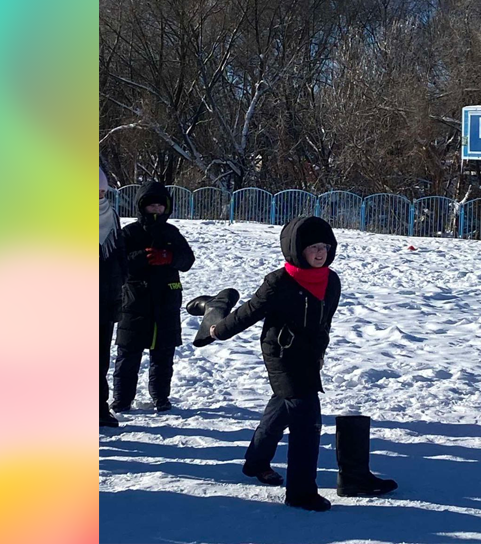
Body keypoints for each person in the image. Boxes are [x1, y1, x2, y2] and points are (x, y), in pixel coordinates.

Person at [209, 216, 340, 512]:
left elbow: (324, 322)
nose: (320, 252)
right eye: (313, 247)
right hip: (281, 354)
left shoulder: (330, 280)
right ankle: (301, 493)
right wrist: (218, 331)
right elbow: (250, 312)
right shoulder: (279, 281)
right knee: (307, 420)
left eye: (324, 247)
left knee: (281, 410)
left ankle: (256, 462)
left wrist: (319, 353)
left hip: (309, 356)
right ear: (296, 249)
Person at [111, 181, 195, 413]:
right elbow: (118, 263)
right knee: (128, 354)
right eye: (151, 205)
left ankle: (161, 396)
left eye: (160, 205)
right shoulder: (129, 232)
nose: (156, 209)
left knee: (163, 355)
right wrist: (142, 257)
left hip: (166, 302)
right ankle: (122, 399)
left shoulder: (171, 233)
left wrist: (169, 257)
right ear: (141, 206)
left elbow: (188, 260)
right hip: (134, 303)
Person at [99, 167, 125, 428]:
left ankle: (99, 407)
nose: (99, 197)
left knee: (100, 359)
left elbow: (119, 252)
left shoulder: (111, 216)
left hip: (106, 299)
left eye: (102, 192)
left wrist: (121, 281)